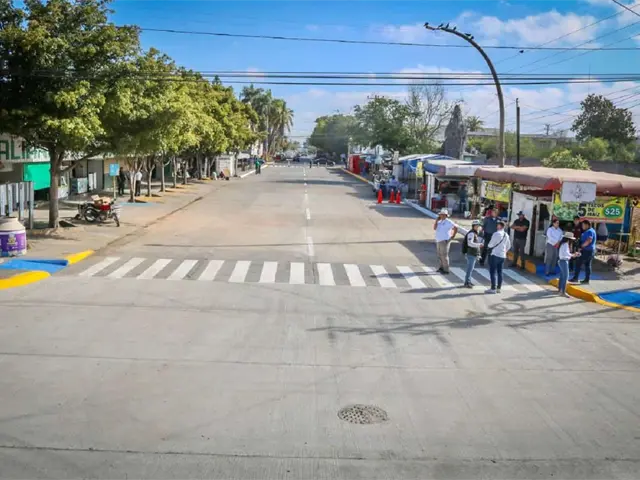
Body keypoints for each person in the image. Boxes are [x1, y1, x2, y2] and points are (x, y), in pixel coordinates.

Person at [486, 220, 511, 294]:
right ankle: (499, 288)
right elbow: (508, 246)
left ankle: (493, 288)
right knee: (500, 272)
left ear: (500, 226)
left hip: (495, 254)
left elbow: (490, 244)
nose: (497, 226)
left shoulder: (496, 234)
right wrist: (504, 251)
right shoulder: (506, 235)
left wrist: (488, 246)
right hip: (502, 255)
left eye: (497, 225)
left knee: (493, 271)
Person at [571, 219, 596, 285]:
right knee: (587, 265)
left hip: (587, 250)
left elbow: (589, 240)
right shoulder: (590, 231)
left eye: (583, 225)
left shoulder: (590, 231)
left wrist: (581, 246)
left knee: (578, 263)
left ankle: (576, 278)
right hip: (589, 250)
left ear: (587, 225)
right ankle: (586, 280)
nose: (582, 226)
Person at [433, 208, 458, 274]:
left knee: (444, 255)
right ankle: (441, 267)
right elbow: (434, 228)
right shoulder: (439, 221)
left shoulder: (448, 222)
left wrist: (453, 235)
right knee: (439, 254)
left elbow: (456, 227)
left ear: (446, 215)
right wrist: (436, 221)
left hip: (445, 240)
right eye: (440, 214)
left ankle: (446, 270)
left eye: (442, 214)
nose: (441, 216)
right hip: (438, 240)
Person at [558, 232, 580, 297]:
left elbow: (565, 253)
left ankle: (560, 290)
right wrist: (573, 255)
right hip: (564, 261)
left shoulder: (563, 244)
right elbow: (566, 254)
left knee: (562, 276)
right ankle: (563, 292)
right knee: (565, 277)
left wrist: (572, 255)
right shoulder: (565, 245)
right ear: (569, 239)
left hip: (561, 261)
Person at [463, 219, 483, 288]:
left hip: (473, 253)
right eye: (477, 226)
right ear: (474, 226)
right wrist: (479, 245)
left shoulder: (475, 233)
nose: (478, 227)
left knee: (471, 269)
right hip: (471, 253)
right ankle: (467, 283)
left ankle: (468, 281)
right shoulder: (471, 233)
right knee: (470, 269)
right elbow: (470, 244)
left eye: (479, 226)